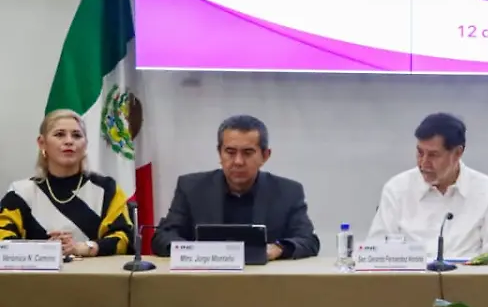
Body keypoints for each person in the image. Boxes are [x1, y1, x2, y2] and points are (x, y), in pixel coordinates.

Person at [151, 115, 319, 259]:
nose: (238, 161)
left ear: (265, 156)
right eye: (230, 152)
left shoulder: (288, 192)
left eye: (248, 153)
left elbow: (308, 240)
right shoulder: (191, 188)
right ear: (220, 153)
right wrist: (195, 252)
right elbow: (163, 236)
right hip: (206, 279)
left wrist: (278, 248)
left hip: (265, 281)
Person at [368, 113, 488, 260]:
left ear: (457, 153)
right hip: (411, 274)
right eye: (420, 153)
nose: (423, 163)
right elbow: (376, 251)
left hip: (469, 274)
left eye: (433, 155)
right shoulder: (396, 189)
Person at [0, 110, 133, 257]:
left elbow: (124, 238)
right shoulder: (20, 193)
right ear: (42, 143)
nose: (69, 141)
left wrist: (84, 248)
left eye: (76, 135)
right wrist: (44, 251)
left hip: (95, 271)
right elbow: (3, 240)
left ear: (85, 144)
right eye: (59, 134)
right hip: (38, 272)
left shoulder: (107, 189)